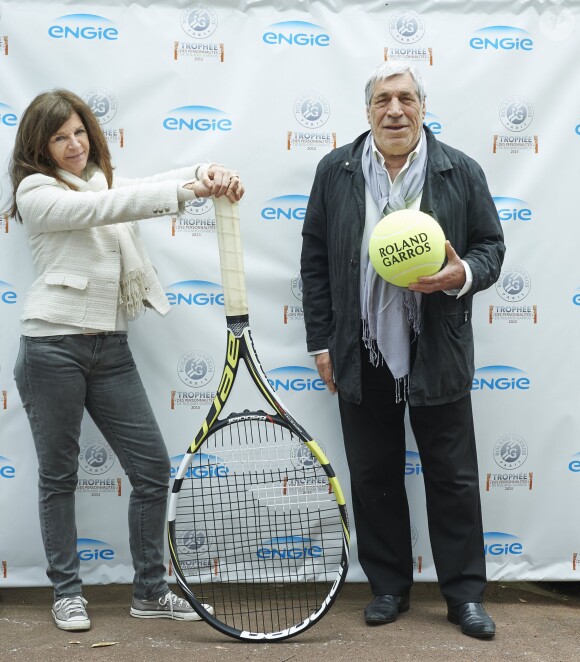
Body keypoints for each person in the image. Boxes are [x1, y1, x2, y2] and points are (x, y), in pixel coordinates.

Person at [8, 88, 244, 632]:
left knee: (152, 471)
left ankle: (149, 592)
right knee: (59, 477)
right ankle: (66, 593)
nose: (74, 144)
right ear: (39, 147)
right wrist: (188, 192)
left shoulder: (98, 179)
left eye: (79, 132)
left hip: (110, 347)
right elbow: (106, 207)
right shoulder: (36, 191)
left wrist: (207, 171)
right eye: (60, 136)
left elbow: (130, 187)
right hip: (52, 347)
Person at [300, 62, 505, 639]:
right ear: (368, 111)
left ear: (422, 107)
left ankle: (464, 596)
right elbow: (315, 259)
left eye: (407, 98)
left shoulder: (458, 169)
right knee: (373, 472)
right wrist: (322, 341)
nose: (396, 110)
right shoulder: (335, 170)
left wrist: (460, 271)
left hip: (436, 343)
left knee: (454, 477)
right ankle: (388, 586)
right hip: (360, 345)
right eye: (384, 100)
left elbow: (491, 245)